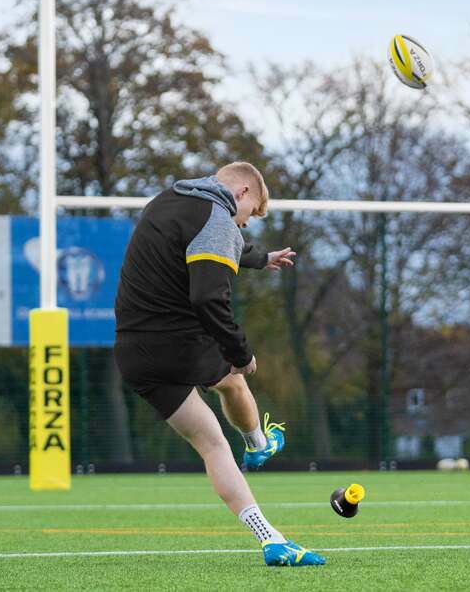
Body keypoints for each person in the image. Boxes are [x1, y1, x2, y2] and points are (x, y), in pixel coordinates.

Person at [114, 161, 325, 567]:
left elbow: (216, 244)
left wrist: (261, 259)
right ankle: (260, 446)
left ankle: (271, 537)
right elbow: (208, 297)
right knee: (235, 381)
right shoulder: (220, 219)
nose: (245, 225)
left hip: (133, 351)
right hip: (179, 344)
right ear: (241, 193)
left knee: (212, 444)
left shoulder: (166, 202)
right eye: (250, 215)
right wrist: (240, 353)